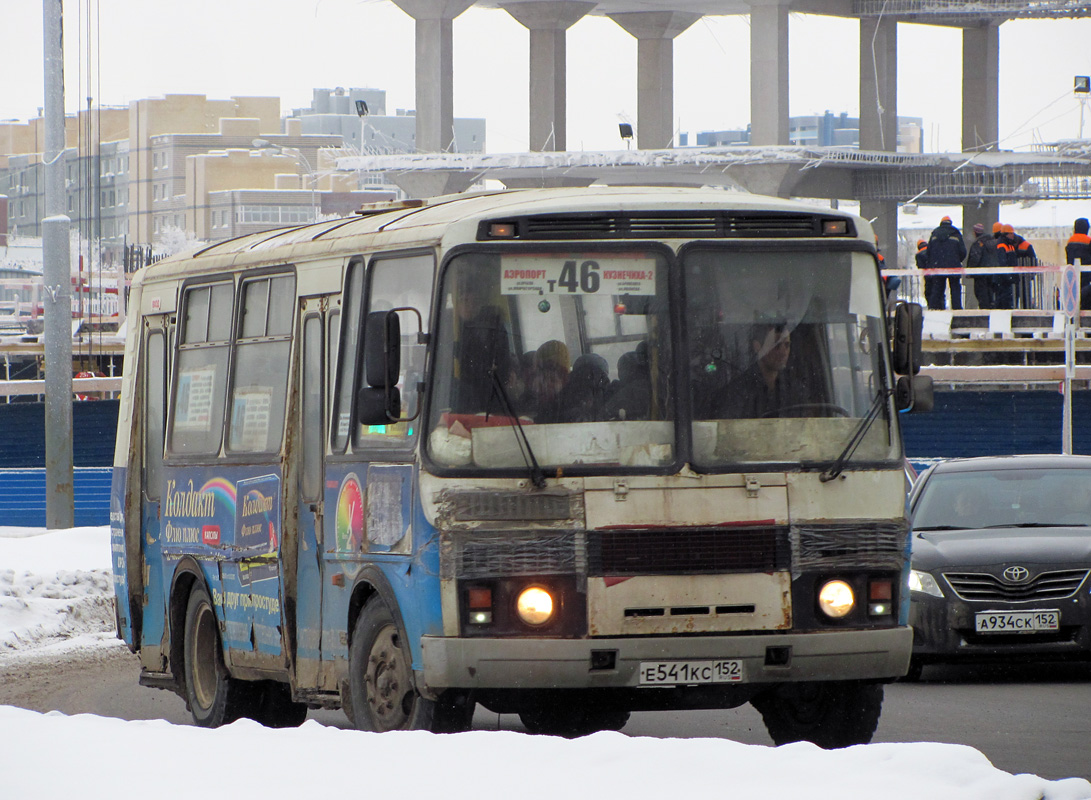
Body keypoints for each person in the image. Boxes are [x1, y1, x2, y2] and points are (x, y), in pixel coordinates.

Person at [717, 322, 801, 419]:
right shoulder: (738, 392)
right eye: (776, 345)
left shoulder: (793, 389)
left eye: (787, 345)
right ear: (757, 347)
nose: (783, 352)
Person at [925, 216, 966, 310]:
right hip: (953, 266)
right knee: (955, 288)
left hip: (937, 265)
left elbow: (929, 252)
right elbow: (962, 251)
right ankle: (957, 308)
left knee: (937, 288)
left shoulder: (935, 234)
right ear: (950, 223)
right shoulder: (956, 233)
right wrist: (956, 260)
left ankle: (934, 308)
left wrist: (934, 261)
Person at [998, 224, 1037, 308]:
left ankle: (1026, 312)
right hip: (1013, 277)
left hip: (1023, 277)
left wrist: (1030, 275)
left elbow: (1033, 262)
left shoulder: (1025, 246)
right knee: (1013, 298)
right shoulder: (1007, 245)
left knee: (1024, 298)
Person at [965, 222, 1001, 309]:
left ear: (975, 232)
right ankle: (991, 308)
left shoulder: (978, 243)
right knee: (990, 293)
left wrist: (970, 271)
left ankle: (984, 311)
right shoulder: (992, 241)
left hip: (980, 274)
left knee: (981, 294)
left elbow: (975, 258)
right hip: (992, 273)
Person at [1065, 217, 1091, 310]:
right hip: (1086, 274)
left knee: (1074, 293)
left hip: (1072, 273)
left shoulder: (1070, 241)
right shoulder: (1088, 241)